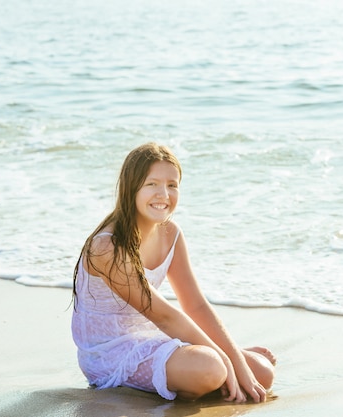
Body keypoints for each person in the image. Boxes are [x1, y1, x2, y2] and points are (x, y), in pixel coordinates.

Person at [71, 142, 276, 403]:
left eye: (172, 185)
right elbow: (164, 316)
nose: (163, 195)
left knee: (262, 374)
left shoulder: (171, 233)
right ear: (130, 187)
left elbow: (196, 305)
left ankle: (209, 366)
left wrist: (235, 355)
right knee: (212, 368)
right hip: (109, 353)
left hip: (151, 338)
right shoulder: (107, 246)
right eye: (152, 184)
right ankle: (204, 371)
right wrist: (224, 358)